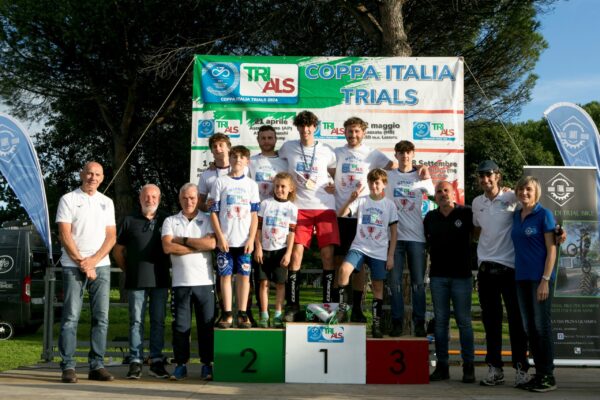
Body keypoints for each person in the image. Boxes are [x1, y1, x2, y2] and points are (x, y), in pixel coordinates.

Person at [55, 161, 116, 383]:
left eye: (97, 174)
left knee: (101, 317)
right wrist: (84, 262)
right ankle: (68, 366)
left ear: (102, 178)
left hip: (101, 266)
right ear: (82, 174)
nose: (93, 177)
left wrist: (94, 261)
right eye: (89, 173)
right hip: (73, 266)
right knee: (71, 317)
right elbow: (65, 235)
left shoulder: (107, 202)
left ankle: (97, 366)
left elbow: (111, 237)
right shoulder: (68, 199)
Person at [472, 160, 530, 387]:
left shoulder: (512, 197)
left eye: (489, 175)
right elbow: (478, 229)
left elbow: (533, 210)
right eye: (482, 175)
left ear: (498, 176)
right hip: (486, 270)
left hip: (510, 269)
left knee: (516, 321)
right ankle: (495, 369)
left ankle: (521, 369)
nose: (485, 179)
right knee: (491, 323)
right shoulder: (477, 202)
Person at [333, 117, 395, 322]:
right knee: (340, 263)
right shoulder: (337, 152)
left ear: (363, 133)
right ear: (344, 132)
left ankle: (357, 308)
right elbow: (327, 171)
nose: (353, 135)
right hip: (343, 212)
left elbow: (393, 165)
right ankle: (339, 308)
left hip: (364, 215)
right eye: (349, 131)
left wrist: (418, 167)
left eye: (357, 131)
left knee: (359, 268)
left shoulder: (372, 153)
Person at [278, 110, 338, 321]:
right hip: (299, 208)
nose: (305, 129)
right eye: (301, 126)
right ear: (297, 127)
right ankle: (293, 306)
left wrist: (334, 184)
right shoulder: (288, 147)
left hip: (324, 207)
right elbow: (272, 160)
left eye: (309, 126)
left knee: (328, 256)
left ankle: (328, 305)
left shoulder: (327, 150)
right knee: (296, 256)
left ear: (315, 127)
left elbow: (338, 173)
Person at [112, 184, 171, 379]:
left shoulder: (167, 220)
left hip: (160, 280)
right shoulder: (128, 220)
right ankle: (135, 362)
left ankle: (156, 361)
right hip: (136, 281)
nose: (150, 200)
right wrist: (128, 269)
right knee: (136, 322)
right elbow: (117, 251)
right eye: (146, 196)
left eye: (154, 197)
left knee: (158, 321)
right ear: (140, 198)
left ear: (159, 199)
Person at [162, 183, 217, 381]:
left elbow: (211, 244)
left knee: (206, 326)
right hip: (180, 283)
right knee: (180, 327)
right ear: (180, 199)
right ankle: (180, 365)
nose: (189, 201)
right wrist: (198, 246)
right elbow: (168, 248)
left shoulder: (208, 219)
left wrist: (182, 240)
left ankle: (207, 365)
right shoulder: (170, 221)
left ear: (198, 199)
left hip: (205, 282)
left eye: (192, 198)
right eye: (185, 198)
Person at [334, 169, 397, 338]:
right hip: (359, 246)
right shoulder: (361, 201)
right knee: (343, 270)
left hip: (379, 251)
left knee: (377, 286)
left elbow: (394, 232)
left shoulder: (389, 205)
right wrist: (350, 199)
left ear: (384, 184)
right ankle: (342, 310)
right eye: (371, 182)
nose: (374, 186)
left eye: (377, 183)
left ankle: (376, 323)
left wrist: (390, 255)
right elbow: (340, 215)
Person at [425, 181, 475, 383]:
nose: (443, 194)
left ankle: (468, 367)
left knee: (464, 322)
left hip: (462, 276)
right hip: (438, 277)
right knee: (440, 323)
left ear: (454, 194)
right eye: (439, 191)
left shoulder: (467, 213)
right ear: (435, 196)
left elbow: (484, 228)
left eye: (446, 190)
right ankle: (442, 367)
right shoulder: (430, 217)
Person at [511, 176, 558, 393]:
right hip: (521, 278)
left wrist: (545, 280)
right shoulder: (516, 215)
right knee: (530, 328)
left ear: (536, 192)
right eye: (521, 189)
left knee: (541, 327)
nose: (524, 193)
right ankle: (539, 374)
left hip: (540, 280)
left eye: (528, 189)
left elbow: (552, 250)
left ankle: (547, 376)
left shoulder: (544, 214)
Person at [386, 140, 434, 336]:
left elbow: (433, 193)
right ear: (396, 155)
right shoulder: (389, 176)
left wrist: (426, 174)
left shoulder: (420, 175)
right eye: (401, 153)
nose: (405, 156)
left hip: (416, 237)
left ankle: (419, 323)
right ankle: (397, 322)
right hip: (394, 238)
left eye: (408, 153)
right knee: (394, 283)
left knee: (418, 284)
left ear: (413, 154)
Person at [210, 145, 260, 328]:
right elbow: (213, 212)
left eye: (242, 157)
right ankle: (227, 313)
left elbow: (254, 215)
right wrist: (220, 237)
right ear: (229, 159)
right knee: (225, 277)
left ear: (247, 161)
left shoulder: (251, 185)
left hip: (244, 241)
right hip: (225, 241)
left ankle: (243, 313)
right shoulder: (220, 182)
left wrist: (251, 239)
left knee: (244, 277)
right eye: (234, 156)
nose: (238, 160)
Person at [254, 172, 298, 328]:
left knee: (280, 284)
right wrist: (258, 248)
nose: (279, 189)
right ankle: (264, 315)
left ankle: (278, 315)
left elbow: (292, 233)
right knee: (263, 283)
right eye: (277, 186)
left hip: (281, 251)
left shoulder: (292, 208)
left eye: (283, 186)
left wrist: (288, 253)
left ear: (290, 188)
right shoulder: (265, 204)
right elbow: (258, 228)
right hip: (264, 250)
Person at [249, 125, 288, 202]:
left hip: (278, 206)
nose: (266, 141)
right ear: (258, 140)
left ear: (275, 139)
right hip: (257, 206)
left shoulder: (285, 162)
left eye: (270, 138)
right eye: (263, 138)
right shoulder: (250, 161)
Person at [198, 132, 233, 212]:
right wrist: (206, 207)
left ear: (228, 148)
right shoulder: (206, 175)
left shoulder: (242, 170)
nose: (217, 148)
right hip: (216, 217)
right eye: (214, 146)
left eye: (221, 145)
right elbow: (199, 202)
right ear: (211, 150)